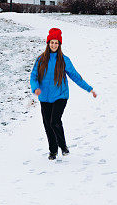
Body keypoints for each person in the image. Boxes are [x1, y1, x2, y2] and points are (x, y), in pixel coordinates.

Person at [30, 28, 97, 160]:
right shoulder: (40, 59)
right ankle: (53, 151)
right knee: (47, 125)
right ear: (48, 43)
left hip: (60, 95)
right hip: (44, 97)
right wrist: (35, 88)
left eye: (56, 43)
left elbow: (76, 77)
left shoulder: (64, 60)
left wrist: (89, 89)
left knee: (54, 121)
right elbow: (33, 76)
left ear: (59, 44)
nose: (54, 45)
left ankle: (63, 146)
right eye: (52, 42)